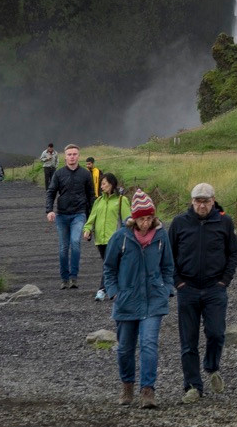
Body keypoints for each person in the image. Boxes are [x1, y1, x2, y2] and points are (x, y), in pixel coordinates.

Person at [102, 189, 174, 410]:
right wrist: (114, 291)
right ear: (134, 218)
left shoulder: (161, 236)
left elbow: (168, 266)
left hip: (154, 299)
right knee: (124, 348)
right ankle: (127, 386)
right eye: (142, 218)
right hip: (126, 300)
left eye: (149, 218)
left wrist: (167, 288)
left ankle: (148, 390)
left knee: (149, 344)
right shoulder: (120, 237)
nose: (146, 223)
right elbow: (109, 268)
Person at [171, 183, 237, 403]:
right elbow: (168, 255)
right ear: (192, 201)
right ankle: (192, 386)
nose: (202, 205)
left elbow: (234, 252)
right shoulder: (179, 223)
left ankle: (212, 367)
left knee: (217, 333)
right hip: (187, 289)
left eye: (206, 201)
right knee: (188, 341)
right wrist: (178, 282)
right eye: (198, 201)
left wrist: (224, 281)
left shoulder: (224, 222)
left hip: (214, 288)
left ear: (213, 200)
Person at [47, 144, 94, 289]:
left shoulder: (86, 174)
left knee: (75, 242)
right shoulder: (59, 174)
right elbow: (51, 192)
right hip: (62, 215)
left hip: (78, 214)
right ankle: (64, 278)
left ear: (78, 156)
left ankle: (74, 277)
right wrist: (49, 210)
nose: (72, 157)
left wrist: (91, 218)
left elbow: (91, 196)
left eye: (74, 154)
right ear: (65, 156)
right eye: (69, 154)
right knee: (63, 247)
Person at [85, 173, 130, 286]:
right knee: (110, 264)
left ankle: (103, 289)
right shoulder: (98, 201)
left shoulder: (121, 200)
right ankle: (117, 286)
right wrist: (87, 229)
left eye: (104, 183)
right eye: (101, 184)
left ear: (111, 184)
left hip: (114, 239)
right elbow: (92, 218)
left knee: (108, 264)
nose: (101, 186)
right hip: (100, 239)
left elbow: (128, 220)